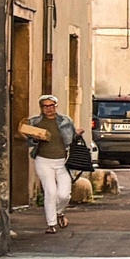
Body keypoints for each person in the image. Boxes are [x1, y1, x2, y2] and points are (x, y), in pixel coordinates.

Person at [18, 93, 76, 231]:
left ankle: (59, 212)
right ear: (41, 108)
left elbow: (72, 138)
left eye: (52, 106)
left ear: (55, 106)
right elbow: (27, 139)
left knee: (64, 194)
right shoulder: (35, 122)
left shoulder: (65, 121)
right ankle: (51, 224)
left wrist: (77, 134)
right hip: (43, 161)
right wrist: (35, 138)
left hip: (63, 162)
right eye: (46, 106)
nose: (49, 109)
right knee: (50, 192)